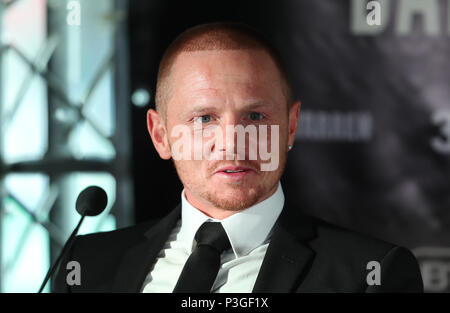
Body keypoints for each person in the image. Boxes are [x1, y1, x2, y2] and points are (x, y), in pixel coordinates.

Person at [53, 22, 423, 293]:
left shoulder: (369, 274)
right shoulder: (85, 265)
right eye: (204, 118)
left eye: (256, 117)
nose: (232, 142)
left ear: (290, 127)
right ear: (161, 135)